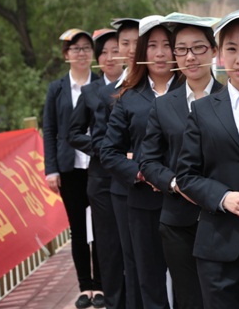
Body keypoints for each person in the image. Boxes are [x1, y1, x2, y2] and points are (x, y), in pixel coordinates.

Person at [176, 8, 239, 309]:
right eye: (232, 49)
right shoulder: (203, 110)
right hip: (217, 248)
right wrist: (223, 197)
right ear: (220, 54)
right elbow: (186, 175)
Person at [139, 12, 224, 309]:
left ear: (214, 52)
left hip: (224, 220)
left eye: (199, 48)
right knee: (188, 299)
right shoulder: (163, 106)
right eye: (182, 49)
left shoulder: (232, 99)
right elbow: (148, 161)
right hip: (178, 221)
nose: (191, 57)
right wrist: (175, 184)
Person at [101, 15, 180, 309]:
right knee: (149, 279)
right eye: (153, 46)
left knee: (189, 279)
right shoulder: (128, 98)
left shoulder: (192, 93)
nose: (160, 53)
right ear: (143, 52)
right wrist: (143, 174)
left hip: (186, 201)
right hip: (143, 203)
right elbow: (109, 152)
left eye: (167, 46)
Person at [43, 28, 101, 309]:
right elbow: (50, 130)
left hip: (98, 168)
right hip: (69, 168)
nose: (81, 53)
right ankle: (85, 287)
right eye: (75, 49)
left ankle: (101, 285)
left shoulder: (102, 84)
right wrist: (51, 169)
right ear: (66, 55)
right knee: (78, 230)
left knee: (101, 228)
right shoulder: (56, 89)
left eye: (86, 48)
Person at [68, 28, 125, 309]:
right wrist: (101, 149)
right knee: (108, 245)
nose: (110, 57)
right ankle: (113, 300)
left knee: (135, 245)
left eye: (116, 50)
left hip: (132, 177)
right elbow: (73, 132)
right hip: (101, 179)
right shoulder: (90, 91)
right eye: (103, 52)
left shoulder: (136, 86)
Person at [90, 18, 144, 309]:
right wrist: (131, 161)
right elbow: (102, 144)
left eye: (138, 41)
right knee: (132, 260)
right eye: (125, 43)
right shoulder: (109, 91)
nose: (132, 49)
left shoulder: (162, 85)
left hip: (168, 190)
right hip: (125, 187)